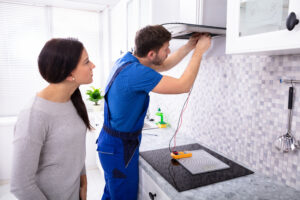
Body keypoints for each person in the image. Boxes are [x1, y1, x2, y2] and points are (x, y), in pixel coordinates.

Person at [96, 25, 211, 200]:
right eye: (166, 49)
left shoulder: (128, 61)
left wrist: (190, 45)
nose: (169, 51)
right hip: (119, 148)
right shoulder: (136, 73)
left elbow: (163, 65)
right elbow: (183, 85)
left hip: (112, 145)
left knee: (112, 194)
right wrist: (199, 52)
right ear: (151, 54)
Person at [10, 38, 95, 200]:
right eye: (87, 62)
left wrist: (83, 182)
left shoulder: (72, 100)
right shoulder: (34, 115)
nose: (93, 66)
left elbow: (74, 148)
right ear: (69, 73)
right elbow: (20, 185)